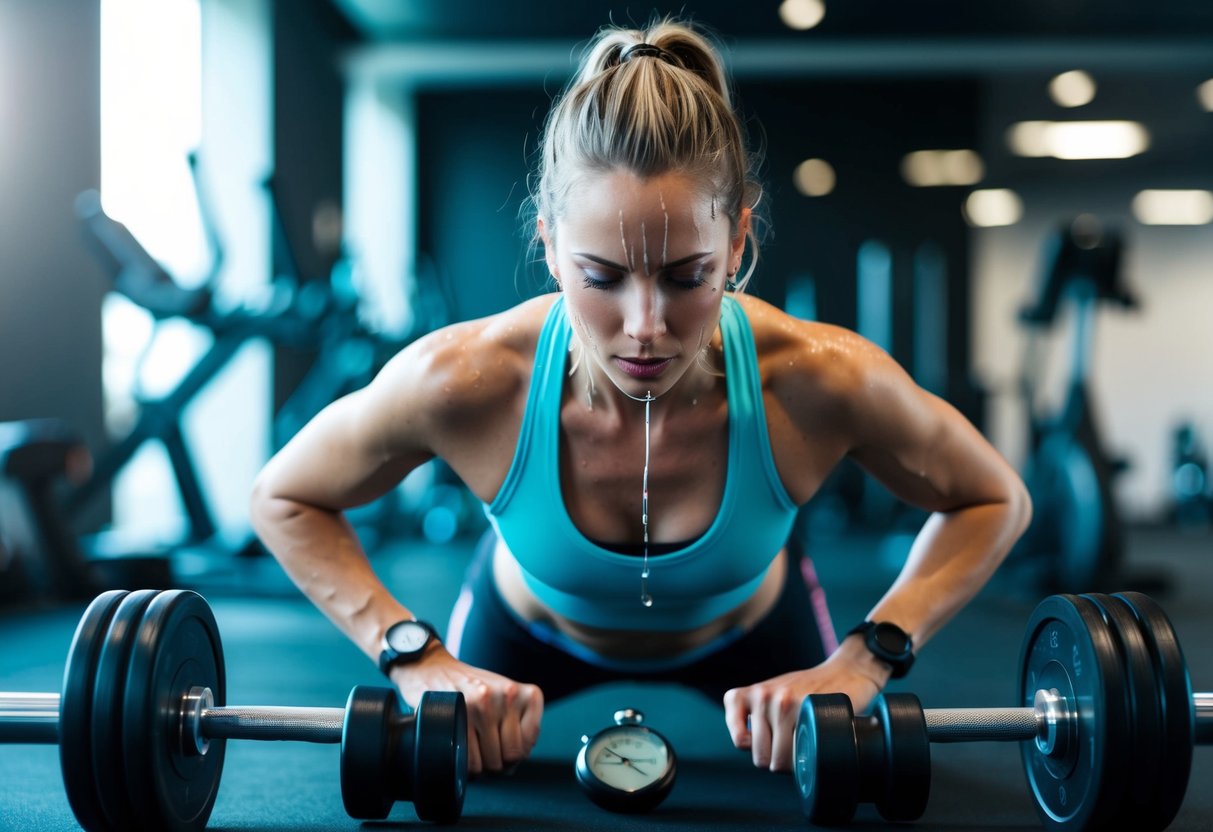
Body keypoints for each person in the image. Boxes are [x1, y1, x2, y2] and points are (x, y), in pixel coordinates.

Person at [249, 17, 1031, 777]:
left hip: (757, 643)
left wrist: (867, 659)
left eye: (687, 276)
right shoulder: (467, 381)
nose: (645, 326)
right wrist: (408, 654)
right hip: (523, 640)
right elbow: (284, 495)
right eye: (602, 277)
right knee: (461, 780)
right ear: (549, 244)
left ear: (736, 242)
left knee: (830, 790)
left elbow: (994, 498)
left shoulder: (816, 378)